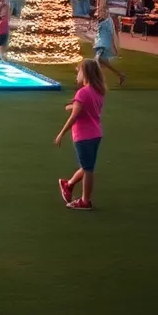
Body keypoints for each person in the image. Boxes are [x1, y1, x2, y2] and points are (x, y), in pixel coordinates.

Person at [55, 59, 106, 211]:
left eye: (79, 71)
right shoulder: (98, 91)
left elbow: (75, 116)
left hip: (83, 136)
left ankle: (85, 200)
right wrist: (72, 105)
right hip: (95, 133)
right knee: (87, 166)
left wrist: (61, 133)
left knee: (88, 169)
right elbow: (87, 108)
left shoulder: (82, 93)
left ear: (85, 73)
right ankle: (68, 184)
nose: (77, 74)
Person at [93, 5, 126, 86]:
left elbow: (111, 33)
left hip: (104, 43)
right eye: (100, 11)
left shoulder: (108, 21)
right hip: (101, 41)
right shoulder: (103, 20)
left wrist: (113, 45)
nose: (100, 12)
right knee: (102, 62)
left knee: (98, 60)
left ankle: (96, 80)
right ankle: (120, 74)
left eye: (101, 11)